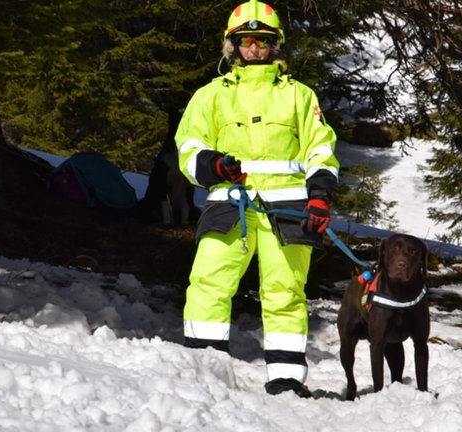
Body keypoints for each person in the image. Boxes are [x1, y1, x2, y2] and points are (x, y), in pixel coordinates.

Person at [175, 0, 339, 398]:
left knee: (285, 292)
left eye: (262, 40)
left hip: (290, 209)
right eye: (245, 40)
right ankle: (204, 368)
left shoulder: (300, 96)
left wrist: (319, 197)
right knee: (208, 282)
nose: (253, 47)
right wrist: (215, 165)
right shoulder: (210, 96)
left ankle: (286, 379)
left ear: (275, 45)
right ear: (232, 45)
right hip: (230, 203)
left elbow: (321, 150)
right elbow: (188, 148)